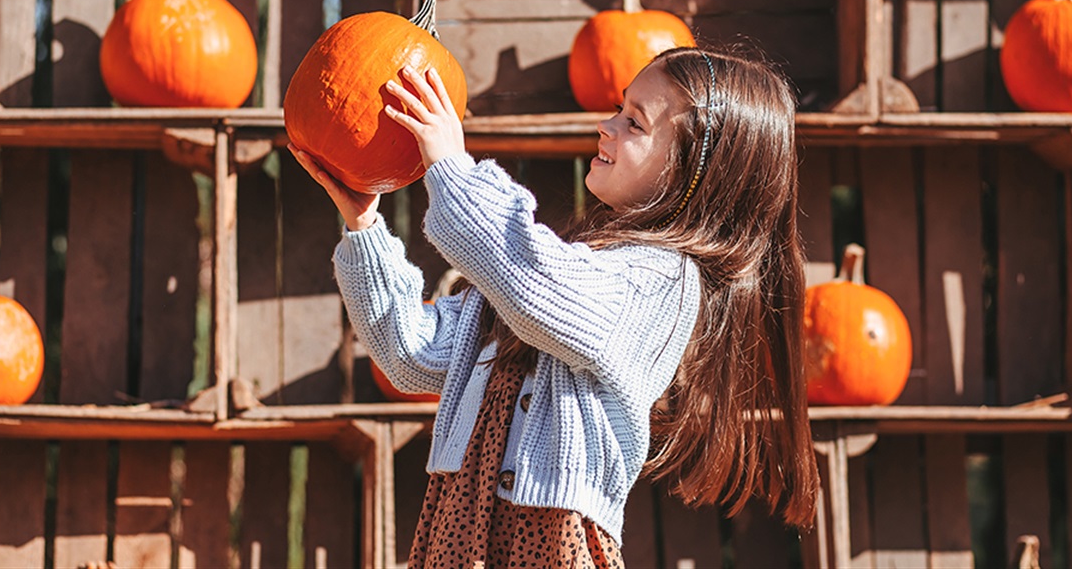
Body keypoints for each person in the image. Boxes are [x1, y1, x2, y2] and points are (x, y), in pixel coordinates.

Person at [289, 45, 819, 568]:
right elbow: (410, 353)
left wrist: (453, 167)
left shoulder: (662, 283)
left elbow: (531, 283)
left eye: (634, 123)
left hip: (546, 541)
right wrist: (364, 226)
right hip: (455, 530)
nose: (606, 127)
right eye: (618, 108)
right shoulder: (570, 271)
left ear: (697, 175)